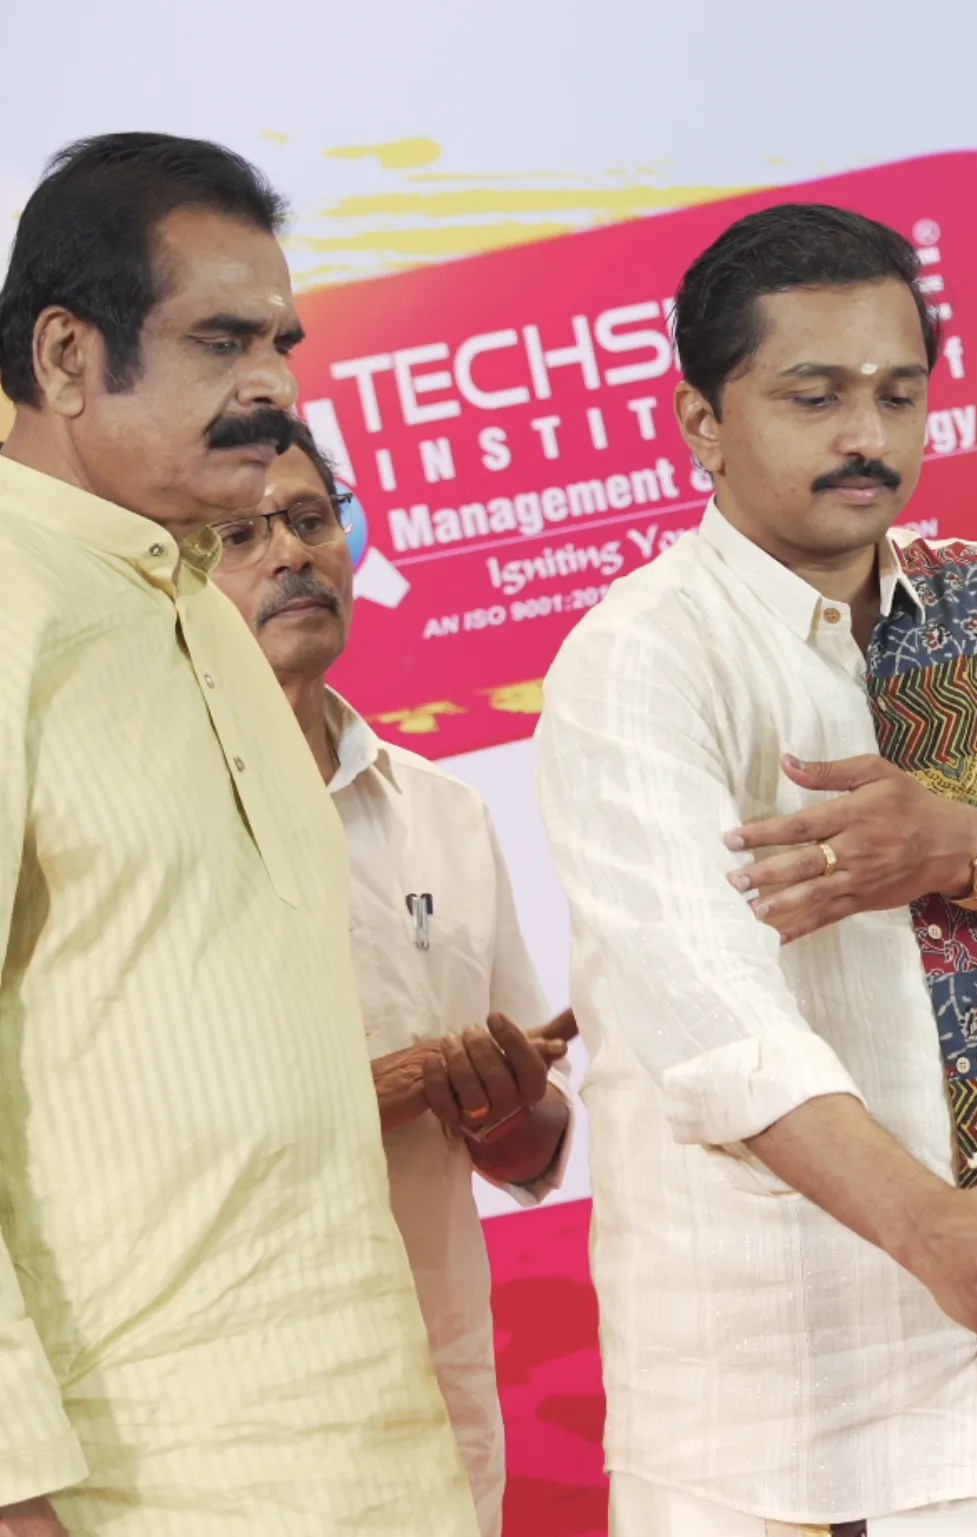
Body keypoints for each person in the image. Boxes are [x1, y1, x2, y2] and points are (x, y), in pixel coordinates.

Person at [535, 203, 977, 1535]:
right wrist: (933, 1232)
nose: (868, 436)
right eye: (816, 397)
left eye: (899, 395)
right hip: (788, 1407)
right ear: (700, 421)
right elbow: (714, 1030)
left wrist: (970, 850)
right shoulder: (643, 659)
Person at [0, 135, 476, 1534]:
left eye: (281, 343)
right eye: (220, 342)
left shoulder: (205, 608)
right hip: (136, 1486)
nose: (272, 385)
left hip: (376, 1461)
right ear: (69, 356)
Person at [208, 422, 578, 1537]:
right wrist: (383, 1086)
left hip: (433, 1408)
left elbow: (529, 1150)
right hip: (227, 1422)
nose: (292, 553)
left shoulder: (443, 810)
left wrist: (500, 1102)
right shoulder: (135, 834)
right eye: (239, 535)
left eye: (311, 520)